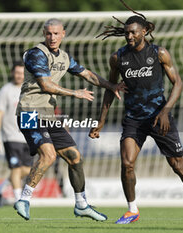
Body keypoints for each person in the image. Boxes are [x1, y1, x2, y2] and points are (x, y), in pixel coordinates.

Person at [89, 7, 183, 224]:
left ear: (144, 31)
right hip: (133, 119)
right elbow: (112, 89)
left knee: (178, 165)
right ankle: (132, 210)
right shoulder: (118, 57)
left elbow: (178, 83)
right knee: (127, 163)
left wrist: (165, 111)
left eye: (134, 32)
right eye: (127, 32)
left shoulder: (159, 53)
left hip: (159, 117)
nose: (129, 36)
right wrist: (100, 122)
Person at [14, 18, 126, 221]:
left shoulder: (64, 57)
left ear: (63, 34)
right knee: (48, 156)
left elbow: (87, 74)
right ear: (43, 33)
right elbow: (46, 85)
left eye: (56, 33)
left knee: (75, 157)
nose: (52, 37)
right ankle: (24, 199)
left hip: (47, 114)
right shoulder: (35, 54)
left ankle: (81, 204)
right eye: (49, 33)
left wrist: (111, 86)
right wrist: (75, 93)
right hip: (29, 112)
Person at [0, 61, 34, 206]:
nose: (19, 75)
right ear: (12, 73)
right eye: (17, 72)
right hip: (10, 137)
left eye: (22, 73)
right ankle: (19, 200)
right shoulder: (6, 91)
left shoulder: (29, 90)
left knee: (28, 170)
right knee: (15, 168)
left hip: (27, 137)